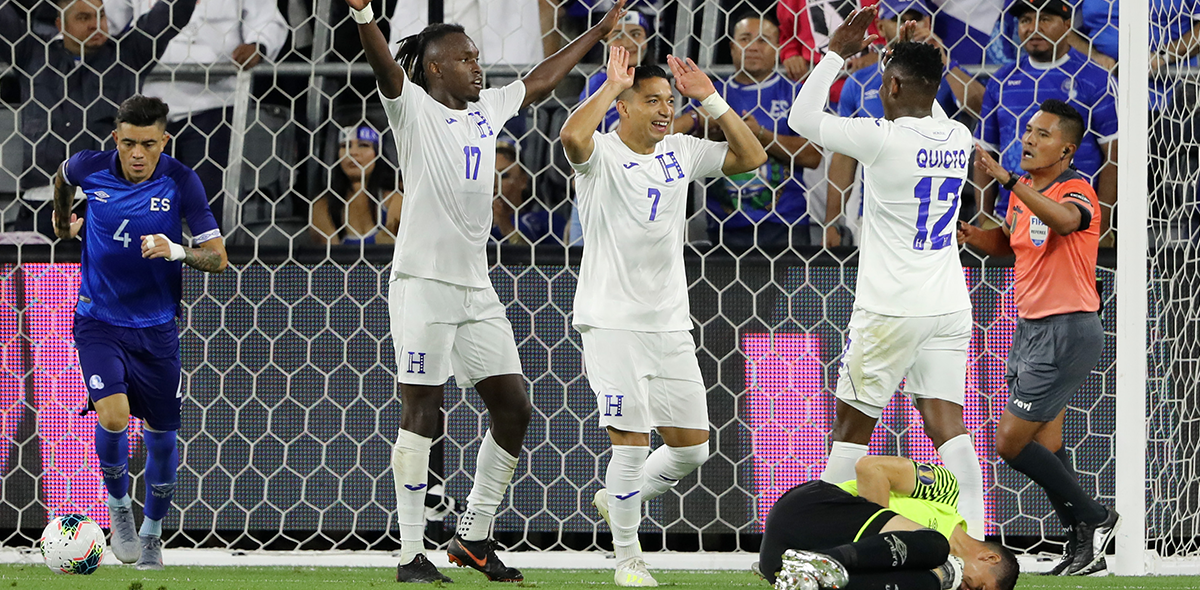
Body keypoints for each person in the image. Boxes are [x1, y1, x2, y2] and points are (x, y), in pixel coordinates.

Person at [344, 0, 627, 582]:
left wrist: (597, 34)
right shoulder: (413, 109)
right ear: (433, 70)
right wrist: (365, 15)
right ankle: (410, 556)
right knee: (422, 410)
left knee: (515, 407)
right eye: (465, 58)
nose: (478, 66)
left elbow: (543, 78)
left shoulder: (487, 109)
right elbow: (384, 68)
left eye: (477, 55)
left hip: (476, 289)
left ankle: (472, 537)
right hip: (422, 285)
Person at [561, 45, 766, 585]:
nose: (664, 109)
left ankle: (615, 499)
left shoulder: (681, 149)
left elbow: (751, 160)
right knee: (630, 440)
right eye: (651, 100)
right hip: (611, 321)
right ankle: (627, 557)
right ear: (623, 107)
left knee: (692, 450)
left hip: (670, 323)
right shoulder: (601, 153)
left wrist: (712, 99)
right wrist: (608, 86)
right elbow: (571, 139)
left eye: (669, 100)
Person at [788, 8, 988, 541]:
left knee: (849, 436)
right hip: (948, 305)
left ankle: (809, 543)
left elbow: (801, 120)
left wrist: (834, 52)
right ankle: (977, 543)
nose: (878, 89)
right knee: (949, 428)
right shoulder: (957, 137)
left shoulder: (882, 137)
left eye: (881, 81)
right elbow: (929, 100)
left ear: (893, 84)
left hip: (891, 308)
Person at [52, 95, 227, 570]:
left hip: (157, 332)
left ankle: (152, 534)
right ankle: (118, 507)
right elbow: (62, 177)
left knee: (162, 439)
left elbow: (218, 258)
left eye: (148, 144)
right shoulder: (91, 167)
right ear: (116, 138)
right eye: (128, 142)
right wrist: (62, 219)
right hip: (98, 322)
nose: (137, 154)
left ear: (163, 140)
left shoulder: (181, 181)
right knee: (112, 415)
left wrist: (178, 251)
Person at [959, 100, 1119, 577]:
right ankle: (1082, 545)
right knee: (1046, 450)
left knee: (1009, 443)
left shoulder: (1078, 189)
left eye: (1042, 134)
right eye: (1028, 130)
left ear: (1067, 149)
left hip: (1067, 328)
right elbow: (1011, 244)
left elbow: (1067, 221)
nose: (1028, 139)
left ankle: (1096, 516)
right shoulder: (1024, 190)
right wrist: (971, 233)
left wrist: (1006, 180)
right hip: (1030, 328)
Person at [0, 0, 196, 237]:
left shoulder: (128, 55)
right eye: (83, 18)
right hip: (42, 204)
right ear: (60, 24)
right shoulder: (32, 54)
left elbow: (168, 17)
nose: (96, 25)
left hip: (109, 206)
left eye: (100, 16)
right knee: (39, 272)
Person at [103, 0, 289, 215]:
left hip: (214, 103)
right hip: (149, 105)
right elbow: (104, 18)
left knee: (205, 206)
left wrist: (258, 45)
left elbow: (267, 19)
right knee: (144, 206)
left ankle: (206, 248)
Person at [825, 1, 985, 247]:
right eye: (899, 18)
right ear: (880, 26)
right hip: (876, 213)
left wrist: (945, 64)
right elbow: (844, 157)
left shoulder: (944, 74)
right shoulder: (858, 82)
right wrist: (833, 221)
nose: (909, 25)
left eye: (917, 18)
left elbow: (983, 109)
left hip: (936, 217)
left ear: (928, 24)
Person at [672, 14, 821, 252]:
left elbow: (814, 157)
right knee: (724, 290)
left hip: (786, 224)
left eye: (763, 40)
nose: (753, 47)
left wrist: (759, 134)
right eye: (745, 38)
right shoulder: (711, 92)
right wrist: (696, 117)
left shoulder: (796, 93)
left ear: (778, 47)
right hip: (723, 225)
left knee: (790, 290)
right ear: (732, 46)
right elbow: (668, 137)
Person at [761, 456, 1020, 590]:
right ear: (990, 559)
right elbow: (871, 468)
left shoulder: (933, 578)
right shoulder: (946, 492)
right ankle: (821, 562)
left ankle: (809, 573)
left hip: (778, 560)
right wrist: (878, 549)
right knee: (935, 545)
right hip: (813, 511)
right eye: (981, 588)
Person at [974, 0, 1117, 239]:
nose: (1033, 28)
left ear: (1067, 25)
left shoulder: (1096, 79)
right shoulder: (1001, 80)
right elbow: (985, 152)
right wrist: (983, 218)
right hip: (1011, 222)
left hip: (1072, 220)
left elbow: (1113, 156)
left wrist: (1100, 225)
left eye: (1045, 19)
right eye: (1026, 20)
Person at [567, 10, 652, 245]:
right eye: (618, 36)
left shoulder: (657, 82)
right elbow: (582, 130)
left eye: (636, 33)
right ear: (607, 43)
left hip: (642, 186)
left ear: (647, 41)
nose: (627, 42)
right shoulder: (597, 84)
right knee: (580, 263)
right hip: (598, 182)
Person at [310, 124, 403, 246]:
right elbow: (331, 258)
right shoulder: (323, 206)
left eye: (363, 145)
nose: (352, 152)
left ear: (378, 152)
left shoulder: (394, 200)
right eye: (345, 146)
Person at [492, 140, 566, 244]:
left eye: (503, 176)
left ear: (523, 180)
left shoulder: (546, 221)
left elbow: (552, 258)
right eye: (488, 177)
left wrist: (507, 228)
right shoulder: (471, 224)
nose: (494, 183)